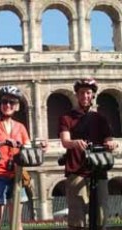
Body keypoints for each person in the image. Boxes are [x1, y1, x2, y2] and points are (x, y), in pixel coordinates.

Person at [58, 78, 118, 230]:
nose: (85, 96)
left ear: (93, 96)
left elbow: (109, 139)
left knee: (101, 215)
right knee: (77, 217)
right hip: (77, 168)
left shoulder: (101, 118)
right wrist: (75, 143)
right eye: (82, 93)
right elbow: (65, 141)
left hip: (98, 168)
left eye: (88, 93)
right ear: (77, 95)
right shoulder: (66, 118)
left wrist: (112, 144)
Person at [0, 85, 44, 230]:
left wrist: (40, 148)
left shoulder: (20, 127)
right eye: (4, 102)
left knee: (17, 221)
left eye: (12, 102)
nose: (8, 105)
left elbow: (27, 147)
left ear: (17, 106)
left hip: (16, 175)